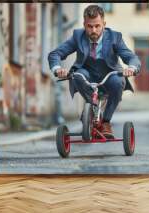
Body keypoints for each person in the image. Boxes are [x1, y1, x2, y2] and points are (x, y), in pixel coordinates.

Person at [48, 4, 141, 138]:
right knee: (77, 75)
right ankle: (92, 110)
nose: (93, 30)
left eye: (97, 26)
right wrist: (57, 69)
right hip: (87, 75)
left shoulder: (115, 37)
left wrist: (132, 68)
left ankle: (106, 121)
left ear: (104, 24)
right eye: (89, 26)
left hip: (110, 76)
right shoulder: (77, 36)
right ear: (84, 24)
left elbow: (131, 57)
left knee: (117, 81)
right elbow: (55, 54)